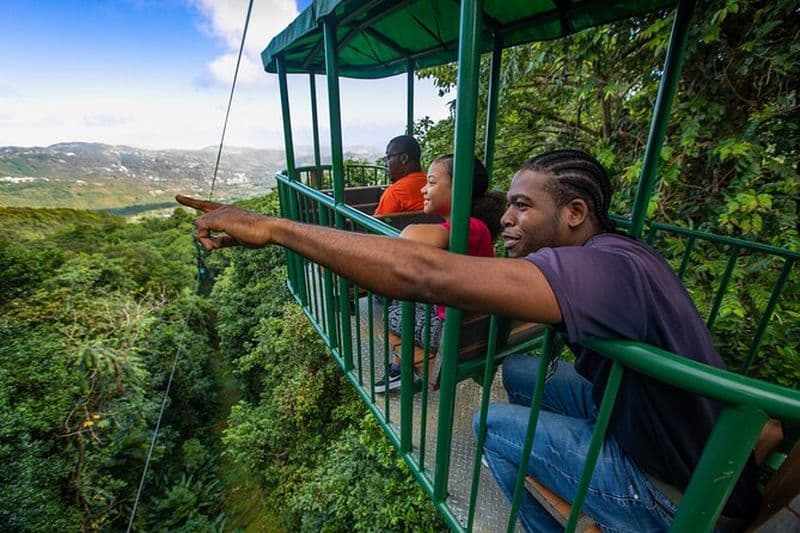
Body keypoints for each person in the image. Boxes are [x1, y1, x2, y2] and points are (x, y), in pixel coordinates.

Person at [175, 148, 758, 530]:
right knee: (524, 375)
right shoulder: (617, 253)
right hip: (669, 428)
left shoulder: (603, 272)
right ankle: (568, 470)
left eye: (523, 207)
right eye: (507, 204)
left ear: (577, 212)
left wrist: (274, 227)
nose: (507, 218)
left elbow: (421, 274)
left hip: (682, 492)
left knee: (489, 427)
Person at [375, 154, 497, 393]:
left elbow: (408, 239)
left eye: (431, 182)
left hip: (454, 333)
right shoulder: (474, 226)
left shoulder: (469, 227)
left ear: (459, 189)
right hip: (468, 322)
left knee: (391, 312)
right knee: (398, 294)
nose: (423, 189)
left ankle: (399, 370)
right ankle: (399, 368)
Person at [373, 135, 427, 216]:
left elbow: (376, 224)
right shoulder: (433, 186)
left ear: (404, 158)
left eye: (388, 157)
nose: (386, 164)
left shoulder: (395, 193)